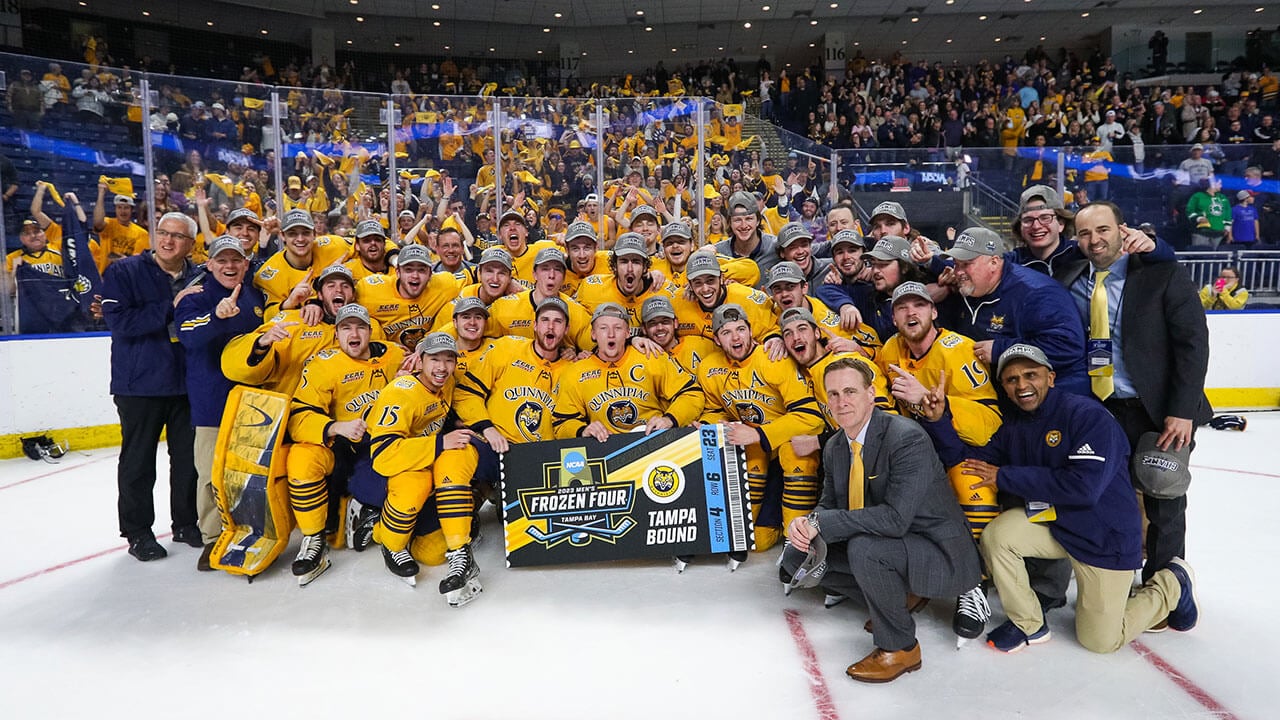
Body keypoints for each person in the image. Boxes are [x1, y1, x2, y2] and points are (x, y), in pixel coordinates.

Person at [921, 344, 1198, 653]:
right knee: (997, 536)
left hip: (1103, 536)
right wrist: (939, 421)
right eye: (1012, 379)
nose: (1022, 385)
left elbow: (1084, 488)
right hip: (1057, 524)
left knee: (1101, 641)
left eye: (1031, 375)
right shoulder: (1014, 426)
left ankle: (1172, 583)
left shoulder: (1087, 416)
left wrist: (1004, 476)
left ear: (1050, 378)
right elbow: (971, 463)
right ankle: (1029, 623)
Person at [782, 357, 981, 682]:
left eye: (850, 391)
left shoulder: (905, 437)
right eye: (832, 394)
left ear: (871, 393)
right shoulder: (835, 446)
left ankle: (901, 647)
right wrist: (805, 524)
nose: (841, 401)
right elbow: (829, 504)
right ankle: (897, 599)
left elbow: (895, 520)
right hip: (888, 543)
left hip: (938, 552)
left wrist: (825, 524)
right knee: (796, 556)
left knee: (865, 549)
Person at [1063, 201, 1211, 606]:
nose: (1094, 241)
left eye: (1103, 230)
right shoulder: (1071, 276)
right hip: (1101, 411)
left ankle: (1166, 590)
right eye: (1084, 233)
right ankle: (1114, 579)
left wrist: (1181, 411)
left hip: (1158, 410)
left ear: (1122, 230)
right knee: (1109, 497)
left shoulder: (1162, 273)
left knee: (1164, 500)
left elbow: (1193, 345)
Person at [101, 211, 202, 561]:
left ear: (190, 244)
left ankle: (187, 523)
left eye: (177, 236)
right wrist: (169, 307)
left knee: (187, 460)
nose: (168, 240)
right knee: (138, 462)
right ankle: (138, 532)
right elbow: (120, 322)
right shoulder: (124, 271)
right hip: (139, 385)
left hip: (186, 383)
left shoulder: (198, 275)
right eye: (163, 233)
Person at [285, 303, 405, 585]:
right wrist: (335, 427)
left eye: (361, 327)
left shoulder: (394, 355)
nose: (355, 333)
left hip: (384, 447)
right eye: (346, 327)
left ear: (370, 331)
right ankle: (314, 537)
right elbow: (298, 418)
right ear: (336, 334)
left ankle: (369, 511)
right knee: (301, 458)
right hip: (341, 448)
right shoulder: (323, 364)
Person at [698, 304, 826, 556]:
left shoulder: (773, 358)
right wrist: (715, 424)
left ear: (751, 332)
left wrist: (758, 434)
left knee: (794, 452)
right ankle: (750, 524)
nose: (736, 337)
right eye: (726, 332)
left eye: (741, 329)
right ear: (716, 339)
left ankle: (796, 538)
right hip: (757, 450)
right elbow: (712, 410)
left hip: (787, 446)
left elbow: (810, 416)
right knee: (757, 541)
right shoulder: (709, 368)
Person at [365, 333, 483, 605]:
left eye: (448, 360)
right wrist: (441, 443)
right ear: (418, 360)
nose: (442, 367)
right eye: (434, 360)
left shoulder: (447, 382)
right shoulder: (400, 392)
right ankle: (389, 541)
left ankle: (457, 549)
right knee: (414, 486)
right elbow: (382, 456)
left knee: (431, 553)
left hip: (423, 462)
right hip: (388, 467)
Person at [175, 235, 265, 570]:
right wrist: (217, 315)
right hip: (212, 403)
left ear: (245, 263)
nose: (229, 266)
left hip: (253, 403)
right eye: (222, 260)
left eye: (236, 260)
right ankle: (212, 537)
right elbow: (187, 333)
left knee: (247, 474)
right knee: (211, 475)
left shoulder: (255, 295)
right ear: (209, 264)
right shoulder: (196, 297)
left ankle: (250, 531)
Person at [940, 227, 1089, 396]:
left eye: (966, 264)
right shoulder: (970, 288)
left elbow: (1068, 346)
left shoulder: (1036, 293)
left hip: (1058, 394)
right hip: (1004, 393)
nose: (958, 272)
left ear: (994, 262)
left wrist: (1001, 350)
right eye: (956, 263)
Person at [552, 302, 704, 441]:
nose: (611, 334)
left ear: (627, 333)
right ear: (593, 334)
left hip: (655, 443)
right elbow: (561, 423)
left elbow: (692, 394)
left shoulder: (650, 357)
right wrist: (582, 430)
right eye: (603, 328)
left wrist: (669, 419)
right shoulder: (575, 372)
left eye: (618, 328)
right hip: (606, 450)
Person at [359, 243, 459, 352]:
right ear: (398, 272)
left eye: (421, 270)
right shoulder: (369, 291)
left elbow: (474, 281)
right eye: (408, 270)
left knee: (455, 309)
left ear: (430, 274)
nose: (415, 276)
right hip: (388, 357)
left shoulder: (446, 284)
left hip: (430, 353)